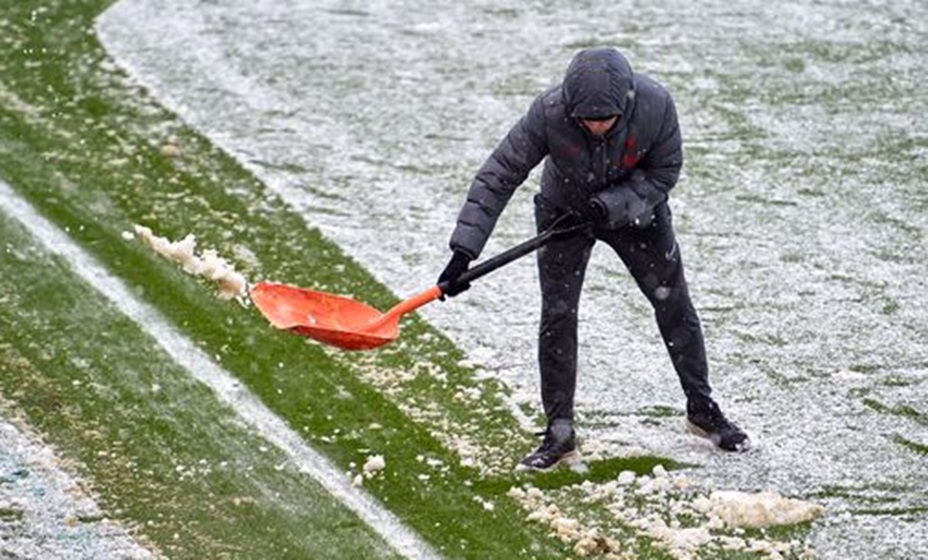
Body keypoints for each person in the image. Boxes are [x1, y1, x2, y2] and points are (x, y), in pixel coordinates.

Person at [437, 47, 750, 471]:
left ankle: (702, 408)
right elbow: (499, 175)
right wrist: (464, 251)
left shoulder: (656, 105)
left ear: (627, 105)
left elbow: (665, 171)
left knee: (673, 303)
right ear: (569, 107)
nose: (597, 128)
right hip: (563, 212)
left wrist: (612, 205)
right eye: (587, 121)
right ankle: (560, 431)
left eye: (606, 120)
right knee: (559, 315)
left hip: (639, 215)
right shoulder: (548, 113)